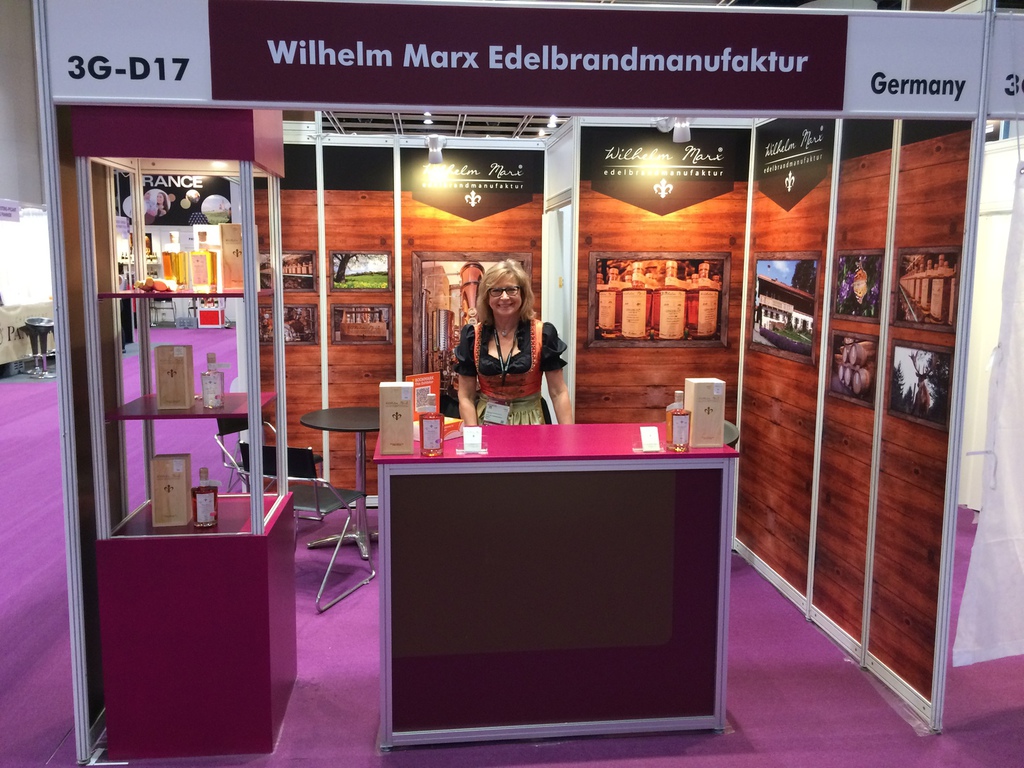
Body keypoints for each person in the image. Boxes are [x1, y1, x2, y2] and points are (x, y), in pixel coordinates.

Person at [455, 260, 573, 426]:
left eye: (511, 289)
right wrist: (472, 434)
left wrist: (568, 436)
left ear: (522, 294)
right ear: (487, 297)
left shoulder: (543, 333)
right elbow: (466, 396)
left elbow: (558, 392)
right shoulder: (472, 336)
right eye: (496, 290)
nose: (504, 297)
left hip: (532, 422)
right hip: (486, 423)